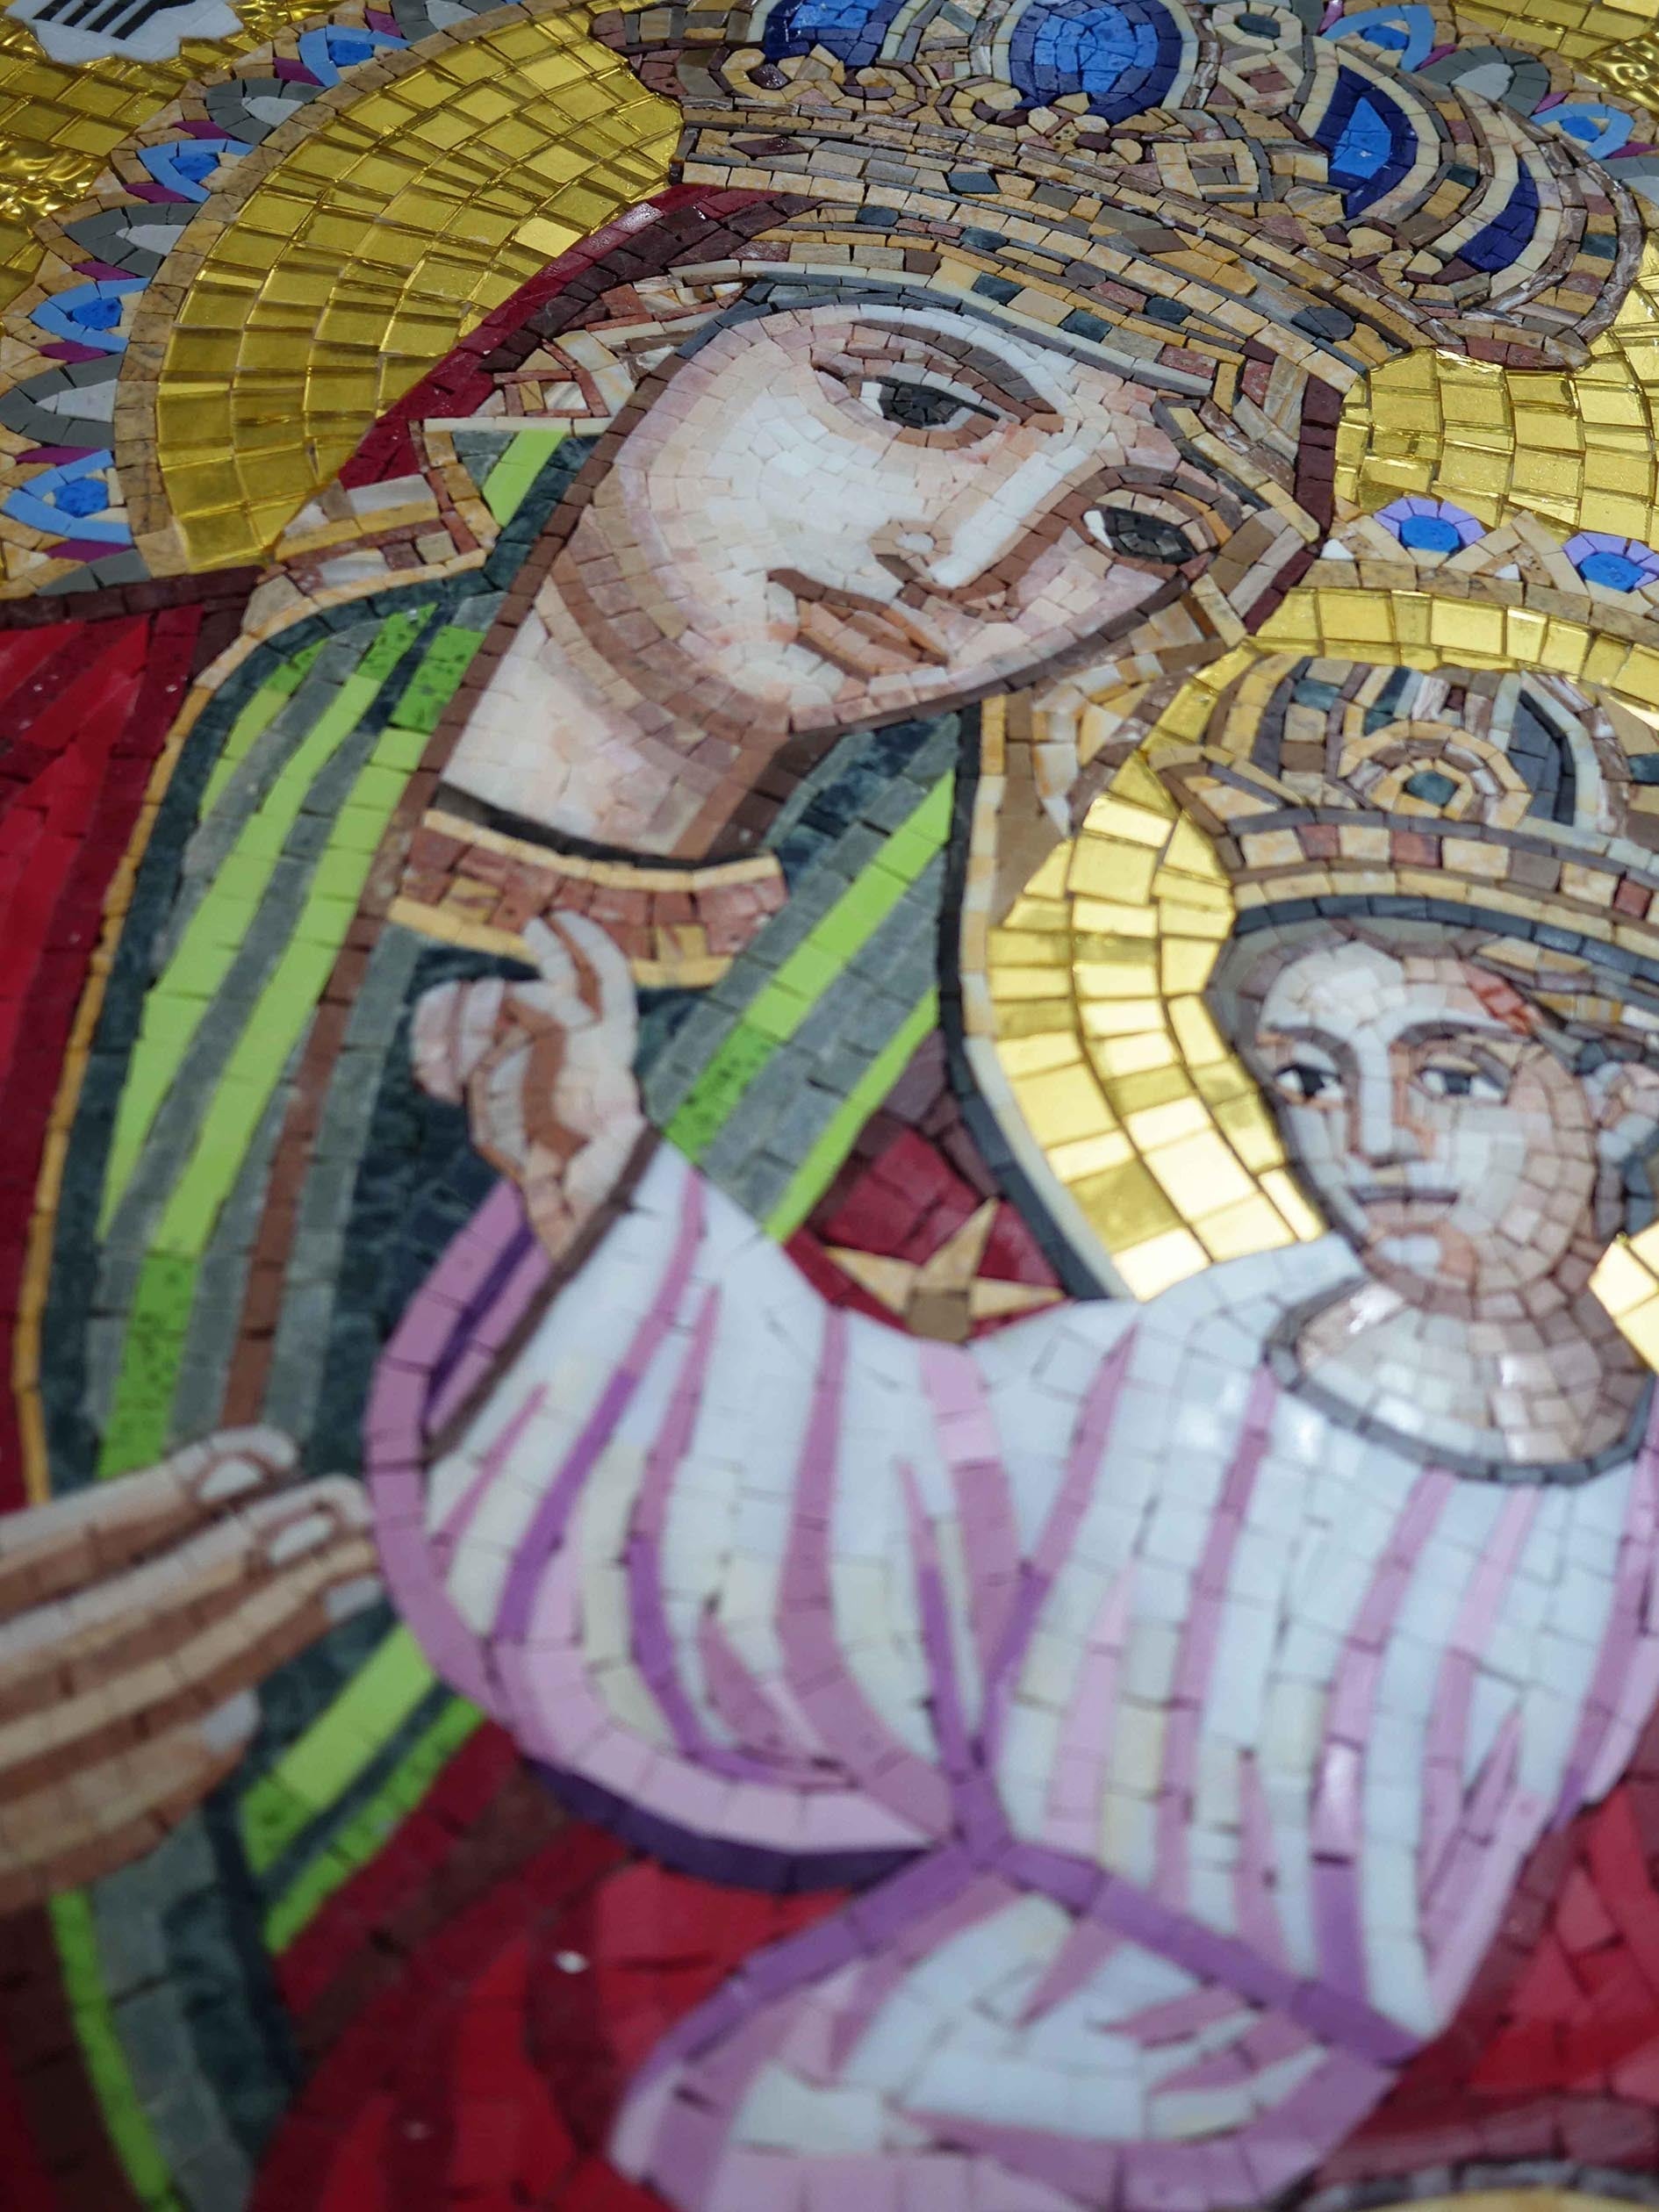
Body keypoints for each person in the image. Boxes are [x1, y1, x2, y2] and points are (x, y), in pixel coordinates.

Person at [2, 0, 1656, 2203]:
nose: (977, 568)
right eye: (913, 399)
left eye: (1139, 525)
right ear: (618, 351)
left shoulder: (950, 1207)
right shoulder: (45, 756)